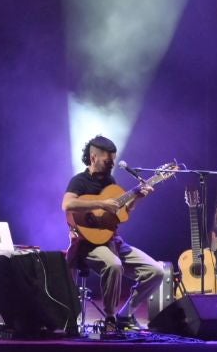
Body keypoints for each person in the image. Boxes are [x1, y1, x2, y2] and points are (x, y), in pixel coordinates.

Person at [62, 136, 168, 331]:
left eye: (113, 160)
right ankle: (110, 317)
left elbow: (121, 214)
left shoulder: (111, 181)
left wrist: (138, 198)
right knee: (114, 264)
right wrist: (101, 204)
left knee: (157, 271)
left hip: (111, 239)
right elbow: (67, 204)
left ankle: (125, 315)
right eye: (107, 161)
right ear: (93, 158)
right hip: (88, 245)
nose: (111, 164)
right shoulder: (79, 181)